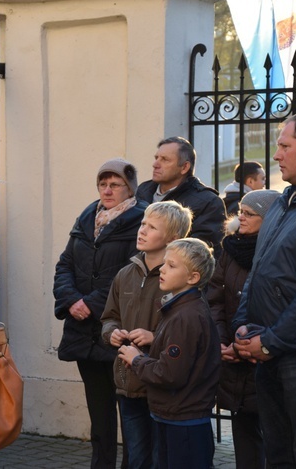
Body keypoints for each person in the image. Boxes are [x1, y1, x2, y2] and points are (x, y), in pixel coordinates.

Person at [54, 158, 146, 469]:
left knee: (130, 412)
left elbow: (130, 273)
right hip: (83, 332)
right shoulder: (85, 219)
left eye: (115, 184)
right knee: (98, 412)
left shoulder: (141, 221)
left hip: (117, 329)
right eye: (103, 184)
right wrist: (70, 300)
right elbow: (65, 264)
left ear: (129, 188)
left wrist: (90, 304)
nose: (107, 190)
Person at [233, 113, 296, 467]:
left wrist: (271, 341)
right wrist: (243, 325)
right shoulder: (281, 203)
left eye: (284, 146)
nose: (276, 156)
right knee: (277, 453)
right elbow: (257, 272)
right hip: (266, 350)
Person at [101, 201, 193, 469]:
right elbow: (109, 316)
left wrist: (154, 337)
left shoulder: (180, 278)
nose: (142, 230)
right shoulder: (125, 274)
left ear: (173, 238)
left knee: (161, 459)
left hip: (163, 387)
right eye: (143, 223)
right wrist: (112, 333)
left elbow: (190, 328)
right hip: (128, 383)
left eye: (152, 227)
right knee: (136, 458)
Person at [118, 238, 219, 469]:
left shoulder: (186, 316)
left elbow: (170, 374)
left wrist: (137, 360)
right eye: (164, 263)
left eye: (172, 266)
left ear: (193, 278)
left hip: (184, 422)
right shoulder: (178, 309)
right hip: (173, 416)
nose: (162, 269)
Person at [208, 189, 279, 469]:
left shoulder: (279, 251)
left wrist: (252, 344)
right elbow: (214, 297)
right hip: (233, 358)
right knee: (244, 436)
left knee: (276, 439)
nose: (241, 218)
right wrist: (223, 342)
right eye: (241, 212)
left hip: (266, 356)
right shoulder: (230, 249)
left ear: (269, 218)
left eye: (250, 214)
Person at [136, 137, 227, 258]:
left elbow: (201, 254)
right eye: (156, 158)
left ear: (184, 167)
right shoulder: (143, 190)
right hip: (136, 270)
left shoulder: (208, 202)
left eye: (165, 160)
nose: (155, 164)